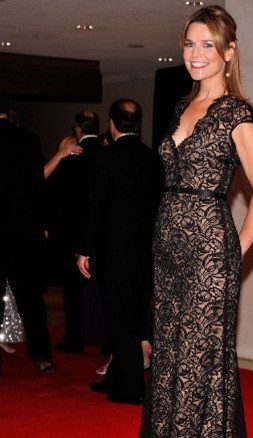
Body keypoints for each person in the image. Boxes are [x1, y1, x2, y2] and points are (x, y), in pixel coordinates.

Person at [139, 5, 253, 436]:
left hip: (209, 252)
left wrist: (234, 250)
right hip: (168, 252)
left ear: (229, 52)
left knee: (200, 358)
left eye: (207, 45)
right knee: (168, 354)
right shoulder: (182, 105)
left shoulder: (237, 114)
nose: (195, 54)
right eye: (189, 44)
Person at [75, 99, 163, 404]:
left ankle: (132, 389)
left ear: (112, 125)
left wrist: (84, 250)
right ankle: (116, 378)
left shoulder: (106, 157)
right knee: (134, 318)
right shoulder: (154, 159)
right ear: (137, 124)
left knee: (120, 323)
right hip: (147, 254)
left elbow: (95, 207)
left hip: (115, 254)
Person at [0, 94, 57, 374]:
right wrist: (41, 223)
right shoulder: (30, 141)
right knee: (32, 299)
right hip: (25, 231)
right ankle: (42, 356)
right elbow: (39, 188)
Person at [47, 110, 101, 354]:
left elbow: (51, 195)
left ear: (78, 129)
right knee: (101, 288)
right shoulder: (106, 155)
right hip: (101, 233)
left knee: (73, 291)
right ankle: (106, 342)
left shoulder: (69, 160)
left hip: (71, 235)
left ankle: (74, 338)